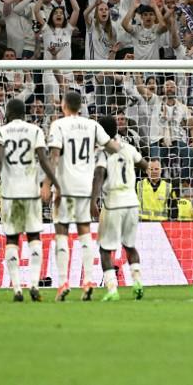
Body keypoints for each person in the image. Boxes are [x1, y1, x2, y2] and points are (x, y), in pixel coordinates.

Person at [46, 90, 119, 301]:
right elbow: (112, 146)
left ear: (64, 105)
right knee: (85, 233)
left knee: (61, 233)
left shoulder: (58, 125)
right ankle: (88, 281)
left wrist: (52, 185)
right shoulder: (92, 125)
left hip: (65, 186)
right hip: (85, 188)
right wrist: (118, 150)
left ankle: (62, 283)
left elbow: (54, 157)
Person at [0, 98, 59, 302]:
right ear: (24, 114)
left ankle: (17, 289)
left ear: (9, 114)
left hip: (10, 194)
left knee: (12, 239)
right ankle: (34, 285)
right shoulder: (35, 131)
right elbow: (43, 160)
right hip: (30, 192)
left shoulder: (1, 132)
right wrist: (54, 183)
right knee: (34, 238)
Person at [90, 115, 147, 302]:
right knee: (129, 245)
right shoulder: (128, 148)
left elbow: (99, 174)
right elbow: (144, 164)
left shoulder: (103, 152)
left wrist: (92, 201)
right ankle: (137, 282)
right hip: (132, 201)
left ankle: (112, 289)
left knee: (106, 249)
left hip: (113, 202)